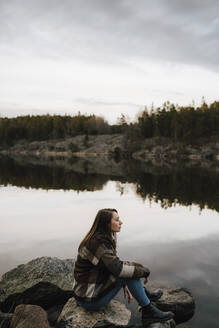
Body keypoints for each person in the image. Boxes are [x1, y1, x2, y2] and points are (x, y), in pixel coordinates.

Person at [72, 208, 174, 326]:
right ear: (106, 223)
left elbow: (113, 265)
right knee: (129, 274)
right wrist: (144, 272)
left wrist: (138, 269)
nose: (121, 222)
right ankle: (148, 310)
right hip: (89, 300)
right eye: (117, 220)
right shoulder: (98, 244)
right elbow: (119, 270)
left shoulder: (99, 239)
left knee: (130, 272)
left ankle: (144, 295)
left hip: (85, 294)